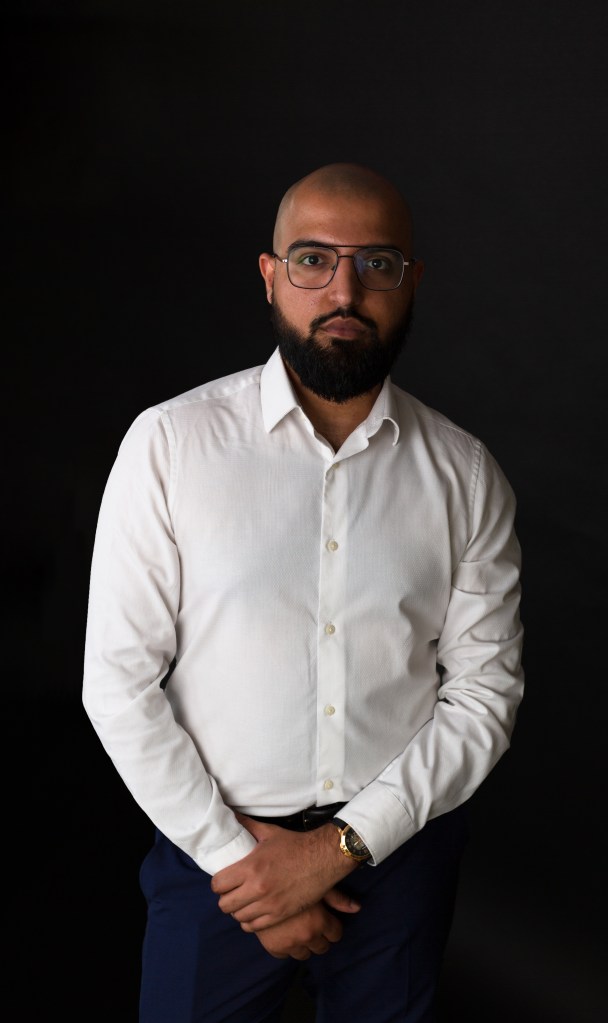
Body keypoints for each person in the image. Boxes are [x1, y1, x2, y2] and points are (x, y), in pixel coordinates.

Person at [83, 162, 524, 1022]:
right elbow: (118, 683)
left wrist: (338, 848)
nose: (343, 290)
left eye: (376, 264)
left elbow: (486, 694)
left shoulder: (467, 475)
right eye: (313, 259)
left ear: (412, 280)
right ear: (270, 274)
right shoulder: (169, 446)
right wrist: (242, 864)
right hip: (212, 858)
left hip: (398, 862)